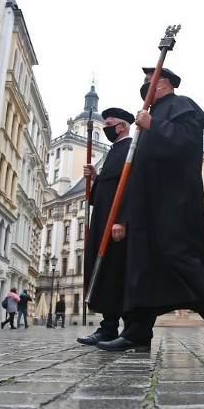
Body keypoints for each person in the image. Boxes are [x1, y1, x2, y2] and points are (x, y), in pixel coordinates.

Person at [96, 67, 204, 353]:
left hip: (173, 200)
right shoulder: (150, 116)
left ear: (163, 82)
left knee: (178, 257)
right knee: (143, 265)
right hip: (146, 204)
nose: (144, 86)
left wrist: (153, 125)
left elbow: (187, 143)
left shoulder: (180, 105)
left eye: (149, 81)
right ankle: (137, 331)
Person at [78, 107, 156, 348]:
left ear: (121, 126)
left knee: (118, 275)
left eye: (109, 124)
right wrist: (94, 179)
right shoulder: (113, 152)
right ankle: (108, 327)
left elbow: (132, 187)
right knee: (105, 275)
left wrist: (121, 219)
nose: (106, 129)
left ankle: (130, 329)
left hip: (119, 226)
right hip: (103, 223)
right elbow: (100, 195)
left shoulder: (131, 148)